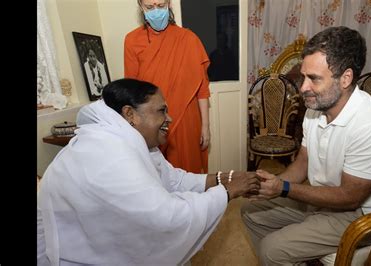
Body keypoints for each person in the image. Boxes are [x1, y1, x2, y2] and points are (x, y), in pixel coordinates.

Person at [37, 78, 260, 266]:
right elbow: (168, 217)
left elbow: (173, 179)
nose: (169, 118)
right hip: (69, 252)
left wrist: (223, 178)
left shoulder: (126, 138)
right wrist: (227, 191)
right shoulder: (111, 152)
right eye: (162, 111)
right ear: (130, 115)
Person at [240, 26, 371, 265]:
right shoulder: (314, 110)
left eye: (314, 78)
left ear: (345, 78)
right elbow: (303, 162)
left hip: (358, 216)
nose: (303, 87)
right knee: (250, 212)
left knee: (271, 250)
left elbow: (350, 197)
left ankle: (283, 253)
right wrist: (269, 185)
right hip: (320, 202)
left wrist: (283, 188)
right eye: (303, 76)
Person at [124, 0, 210, 174]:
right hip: (151, 120)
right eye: (150, 7)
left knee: (188, 177)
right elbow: (131, 90)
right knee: (158, 179)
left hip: (186, 119)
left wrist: (206, 126)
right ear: (141, 7)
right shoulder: (132, 40)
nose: (156, 11)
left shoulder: (188, 39)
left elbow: (202, 88)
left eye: (161, 6)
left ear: (169, 4)